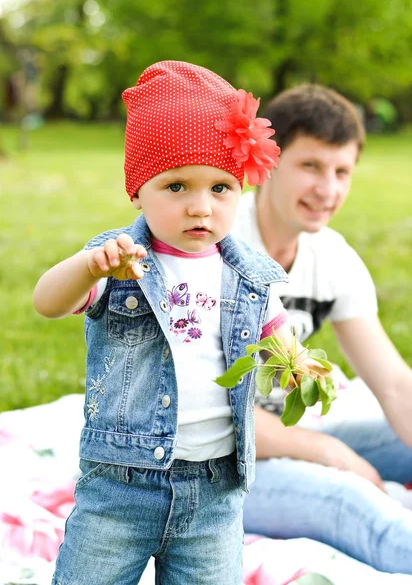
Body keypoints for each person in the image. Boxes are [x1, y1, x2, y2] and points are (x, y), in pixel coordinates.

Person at [33, 61, 327, 585]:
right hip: (120, 490)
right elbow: (47, 302)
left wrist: (298, 363)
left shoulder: (246, 274)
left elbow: (274, 332)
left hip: (214, 494)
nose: (200, 206)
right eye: (176, 187)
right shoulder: (120, 260)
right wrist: (87, 266)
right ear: (138, 190)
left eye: (220, 188)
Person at [231, 84, 412, 574]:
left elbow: (394, 385)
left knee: (395, 442)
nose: (328, 190)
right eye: (310, 166)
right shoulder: (216, 246)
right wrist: (328, 452)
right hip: (209, 469)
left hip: (283, 438)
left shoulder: (331, 257)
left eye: (341, 172)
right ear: (268, 164)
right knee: (351, 500)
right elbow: (210, 418)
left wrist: (327, 448)